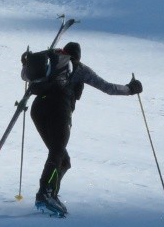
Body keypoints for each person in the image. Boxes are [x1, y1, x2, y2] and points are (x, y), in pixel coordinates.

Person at [30, 41, 142, 217]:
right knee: (57, 153)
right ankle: (44, 194)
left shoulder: (50, 63)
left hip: (37, 109)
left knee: (63, 160)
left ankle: (50, 194)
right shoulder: (79, 68)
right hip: (59, 109)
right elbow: (109, 88)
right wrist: (130, 89)